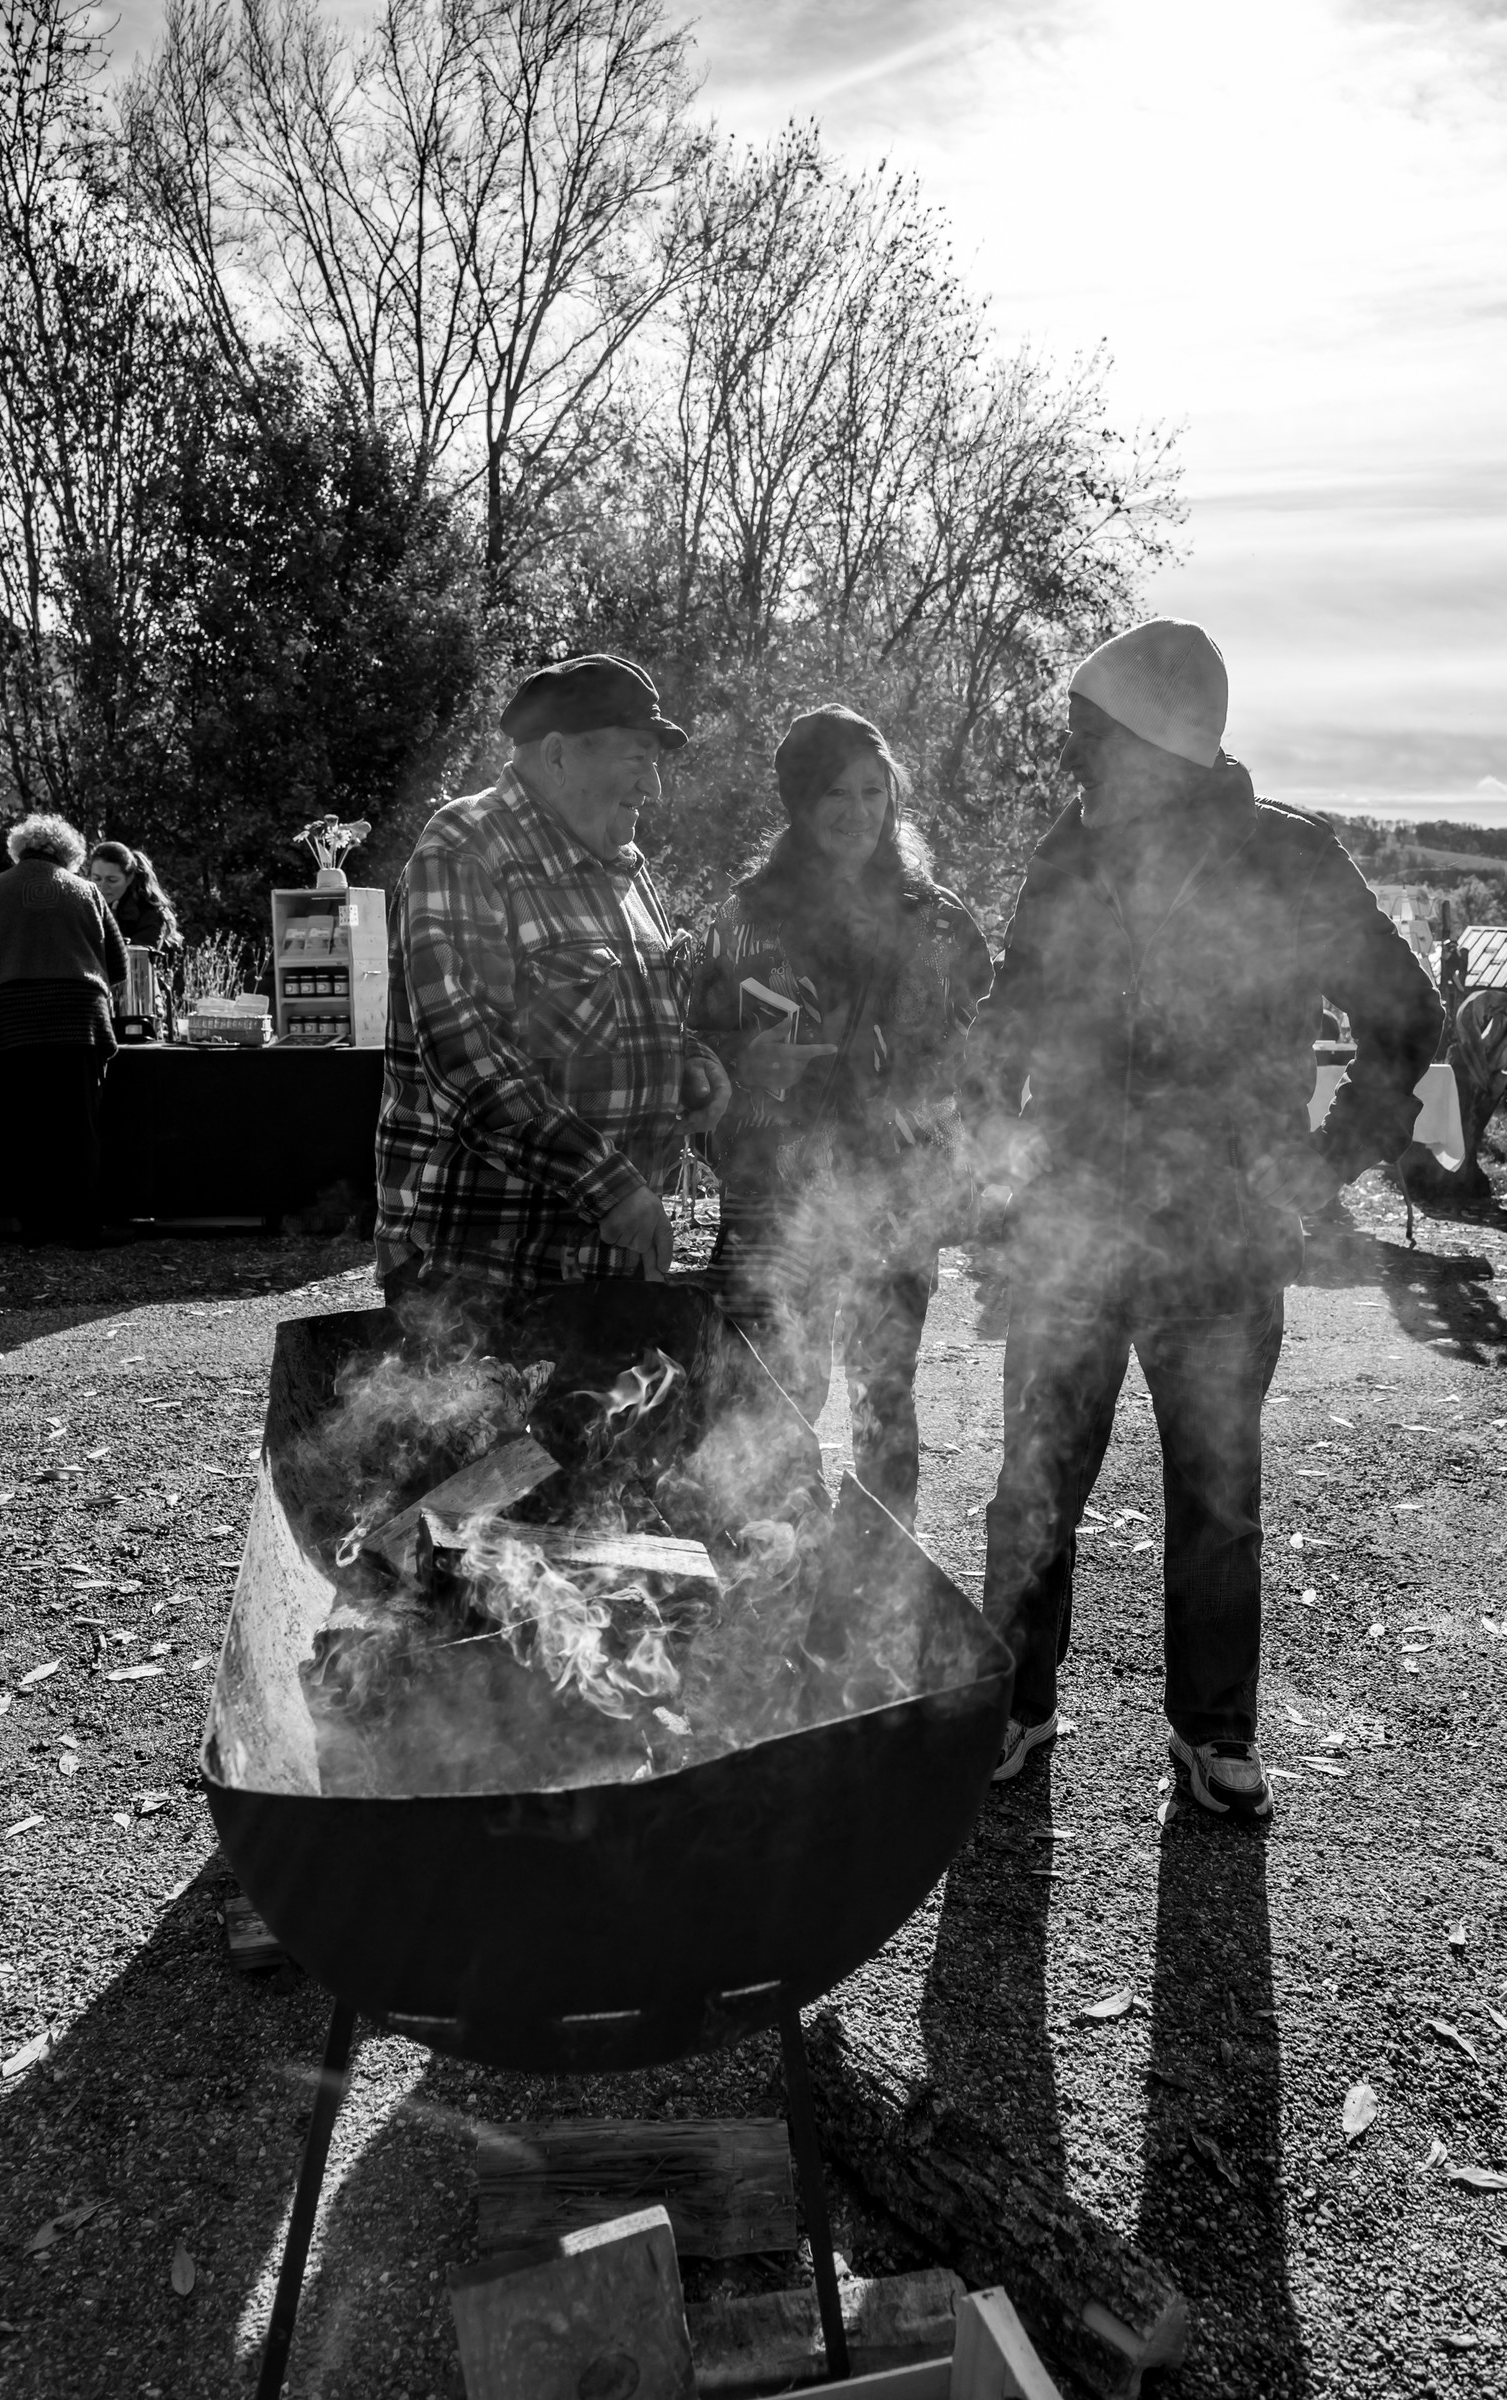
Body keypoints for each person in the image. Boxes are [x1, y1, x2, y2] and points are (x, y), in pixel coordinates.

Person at [966, 618, 1443, 1819]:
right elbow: (1012, 1011)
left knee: (1218, 1498)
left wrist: (1328, 1158)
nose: (1071, 761)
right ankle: (1009, 1709)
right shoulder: (1065, 854)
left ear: (1159, 746)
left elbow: (1404, 1017)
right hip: (1073, 1219)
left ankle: (1212, 1737)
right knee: (1034, 1480)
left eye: (1088, 737)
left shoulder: (1284, 860)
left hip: (1220, 1234)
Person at [689, 706, 992, 1526]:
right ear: (796, 800)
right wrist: (737, 1060)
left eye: (875, 791)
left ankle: (880, 1583)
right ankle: (773, 1579)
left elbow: (991, 1056)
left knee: (884, 1400)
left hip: (896, 1201)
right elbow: (685, 1043)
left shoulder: (939, 921)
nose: (860, 812)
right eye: (836, 792)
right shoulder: (744, 918)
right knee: (769, 1398)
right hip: (772, 1203)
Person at [375, 653, 731, 1299]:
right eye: (636, 760)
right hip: (480, 1271)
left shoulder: (623, 862)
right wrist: (609, 1184)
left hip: (604, 1263)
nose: (653, 787)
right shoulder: (464, 848)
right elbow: (469, 1064)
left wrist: (689, 1063)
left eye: (655, 763)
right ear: (560, 756)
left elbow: (616, 1018)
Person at [0, 812, 128, 1244]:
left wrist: (7, 978)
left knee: (24, 1126)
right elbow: (119, 964)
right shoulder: (87, 891)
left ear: (18, 849)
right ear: (69, 854)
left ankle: (34, 1227)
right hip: (78, 1020)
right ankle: (84, 1228)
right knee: (78, 1127)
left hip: (13, 1022)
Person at [87, 843, 183, 954]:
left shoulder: (149, 914)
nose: (102, 886)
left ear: (129, 878)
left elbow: (138, 960)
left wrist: (112, 934)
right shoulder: (82, 907)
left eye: (112, 880)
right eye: (97, 879)